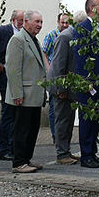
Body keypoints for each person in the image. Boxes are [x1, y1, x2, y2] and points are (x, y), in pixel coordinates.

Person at [70, 0, 99, 169]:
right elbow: (81, 57)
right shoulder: (83, 28)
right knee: (87, 119)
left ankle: (93, 152)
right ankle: (86, 155)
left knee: (96, 119)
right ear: (92, 9)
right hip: (90, 83)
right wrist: (87, 81)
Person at [6, 9, 46, 173]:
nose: (39, 25)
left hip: (35, 94)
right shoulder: (18, 39)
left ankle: (26, 159)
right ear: (26, 22)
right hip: (24, 94)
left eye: (41, 22)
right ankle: (19, 162)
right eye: (36, 22)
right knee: (22, 130)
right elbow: (13, 70)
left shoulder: (33, 40)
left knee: (32, 129)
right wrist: (17, 94)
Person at [45, 10, 84, 165]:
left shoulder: (72, 35)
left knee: (68, 120)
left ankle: (66, 151)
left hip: (70, 86)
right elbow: (59, 65)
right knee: (62, 121)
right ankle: (62, 154)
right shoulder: (65, 37)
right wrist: (61, 89)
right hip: (61, 87)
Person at [0, 9, 24, 162]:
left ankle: (13, 146)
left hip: (18, 77)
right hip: (4, 77)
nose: (23, 23)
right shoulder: (2, 31)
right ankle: (4, 149)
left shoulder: (25, 35)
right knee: (8, 112)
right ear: (14, 20)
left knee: (16, 114)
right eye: (21, 20)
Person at [42, 12, 71, 143]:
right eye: (62, 22)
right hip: (55, 76)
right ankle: (55, 136)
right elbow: (44, 52)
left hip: (65, 75)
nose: (64, 25)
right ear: (58, 22)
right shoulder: (52, 35)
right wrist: (48, 68)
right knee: (54, 109)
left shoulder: (70, 35)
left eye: (67, 22)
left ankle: (60, 138)